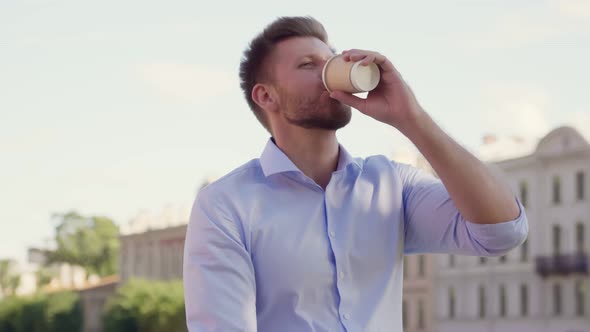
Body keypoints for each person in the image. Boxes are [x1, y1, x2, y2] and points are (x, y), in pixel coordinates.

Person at [183, 16, 528, 332]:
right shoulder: (226, 206)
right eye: (308, 65)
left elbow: (502, 232)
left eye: (330, 60)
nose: (328, 71)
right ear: (266, 95)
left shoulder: (391, 184)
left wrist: (412, 118)